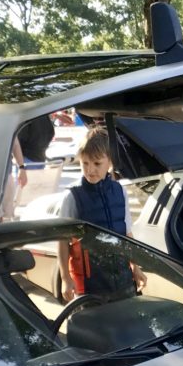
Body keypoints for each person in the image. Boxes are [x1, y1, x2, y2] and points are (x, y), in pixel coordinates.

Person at [53, 127, 144, 299]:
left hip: (124, 281)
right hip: (90, 286)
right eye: (85, 163)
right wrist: (66, 278)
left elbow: (126, 234)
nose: (90, 170)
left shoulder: (119, 191)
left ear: (109, 162)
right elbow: (62, 241)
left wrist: (135, 267)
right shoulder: (72, 197)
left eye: (96, 163)